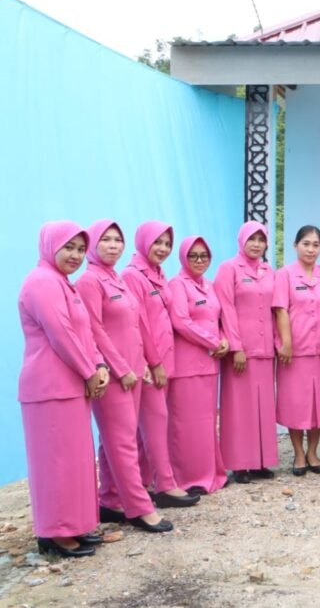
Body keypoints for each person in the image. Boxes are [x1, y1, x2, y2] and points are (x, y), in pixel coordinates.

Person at [18, 222, 108, 558]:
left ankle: (73, 524)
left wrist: (99, 366)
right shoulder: (41, 282)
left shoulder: (63, 284)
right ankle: (52, 534)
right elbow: (61, 334)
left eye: (81, 249)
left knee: (75, 461)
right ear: (49, 246)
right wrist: (89, 371)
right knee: (54, 462)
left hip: (71, 387)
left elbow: (84, 333)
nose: (75, 255)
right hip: (48, 388)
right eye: (68, 247)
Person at [78, 220, 173, 533]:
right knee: (123, 443)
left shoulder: (114, 277)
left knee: (115, 440)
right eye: (105, 240)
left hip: (133, 370)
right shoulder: (90, 281)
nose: (113, 245)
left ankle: (110, 499)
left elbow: (134, 326)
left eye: (117, 240)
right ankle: (139, 508)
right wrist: (122, 369)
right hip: (114, 375)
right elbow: (95, 330)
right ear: (93, 244)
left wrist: (143, 362)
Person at [122, 221, 197, 506]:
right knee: (154, 424)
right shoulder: (132, 276)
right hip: (150, 363)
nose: (163, 249)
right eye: (158, 242)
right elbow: (139, 324)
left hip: (166, 359)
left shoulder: (158, 273)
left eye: (167, 243)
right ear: (143, 242)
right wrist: (153, 363)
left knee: (153, 424)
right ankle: (165, 486)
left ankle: (145, 482)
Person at [214, 221, 278, 483]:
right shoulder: (228, 268)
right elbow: (225, 308)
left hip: (265, 349)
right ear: (241, 240)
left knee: (264, 406)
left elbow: (275, 308)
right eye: (251, 239)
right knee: (239, 407)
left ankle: (261, 461)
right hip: (241, 350)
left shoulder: (268, 270)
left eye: (261, 239)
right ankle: (240, 463)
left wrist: (276, 341)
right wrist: (236, 346)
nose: (256, 244)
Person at [168, 236, 231, 495]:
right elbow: (181, 321)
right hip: (186, 366)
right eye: (193, 255)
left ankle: (212, 474)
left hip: (209, 364)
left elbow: (219, 318)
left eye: (204, 256)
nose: (199, 260)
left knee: (206, 422)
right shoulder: (177, 284)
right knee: (185, 424)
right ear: (183, 257)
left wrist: (224, 338)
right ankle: (188, 478)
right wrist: (213, 341)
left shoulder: (210, 285)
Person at [273, 226, 320, 476]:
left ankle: (313, 451)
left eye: (316, 244)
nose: (311, 249)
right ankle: (299, 453)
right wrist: (286, 343)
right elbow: (280, 309)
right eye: (306, 244)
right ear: (295, 245)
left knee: (318, 403)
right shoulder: (285, 275)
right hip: (294, 351)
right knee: (295, 403)